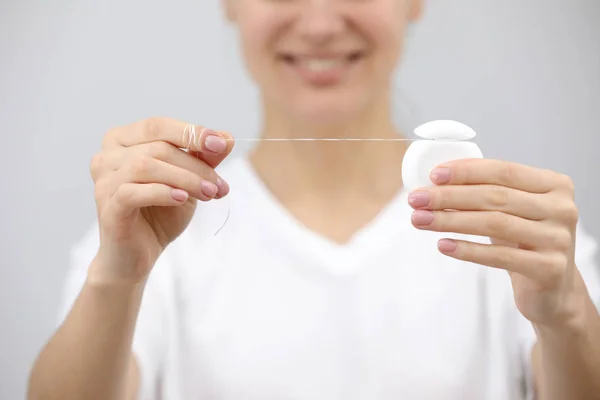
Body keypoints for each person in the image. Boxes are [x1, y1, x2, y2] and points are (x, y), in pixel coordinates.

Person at [27, 1, 600, 399]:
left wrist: (568, 317)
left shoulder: (509, 234)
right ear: (231, 3)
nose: (321, 23)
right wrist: (117, 279)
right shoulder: (158, 229)